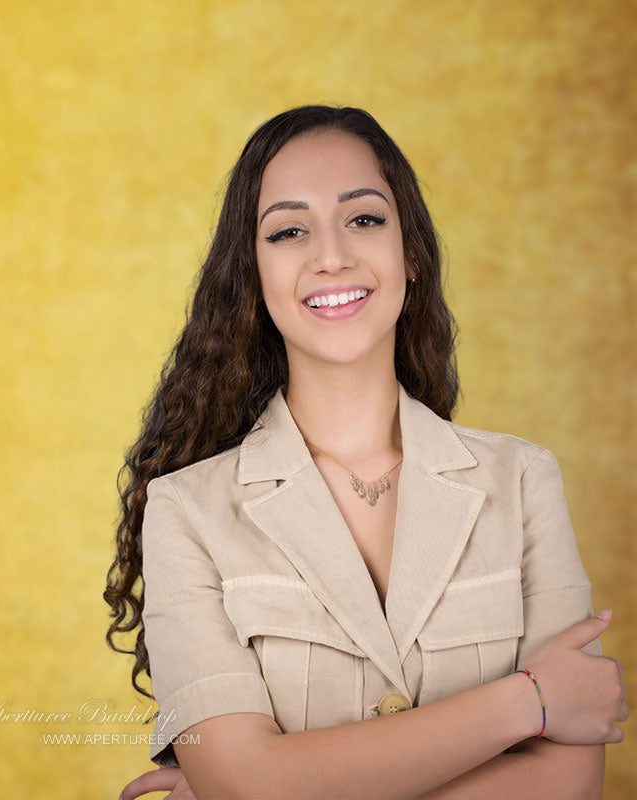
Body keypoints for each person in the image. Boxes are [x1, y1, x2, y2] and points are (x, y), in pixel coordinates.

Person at [104, 105, 628, 800]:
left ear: (409, 252)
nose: (331, 256)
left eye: (364, 218)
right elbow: (248, 785)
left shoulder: (524, 480)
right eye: (289, 231)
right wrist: (527, 702)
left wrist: (275, 785)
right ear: (253, 276)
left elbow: (569, 785)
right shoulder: (185, 512)